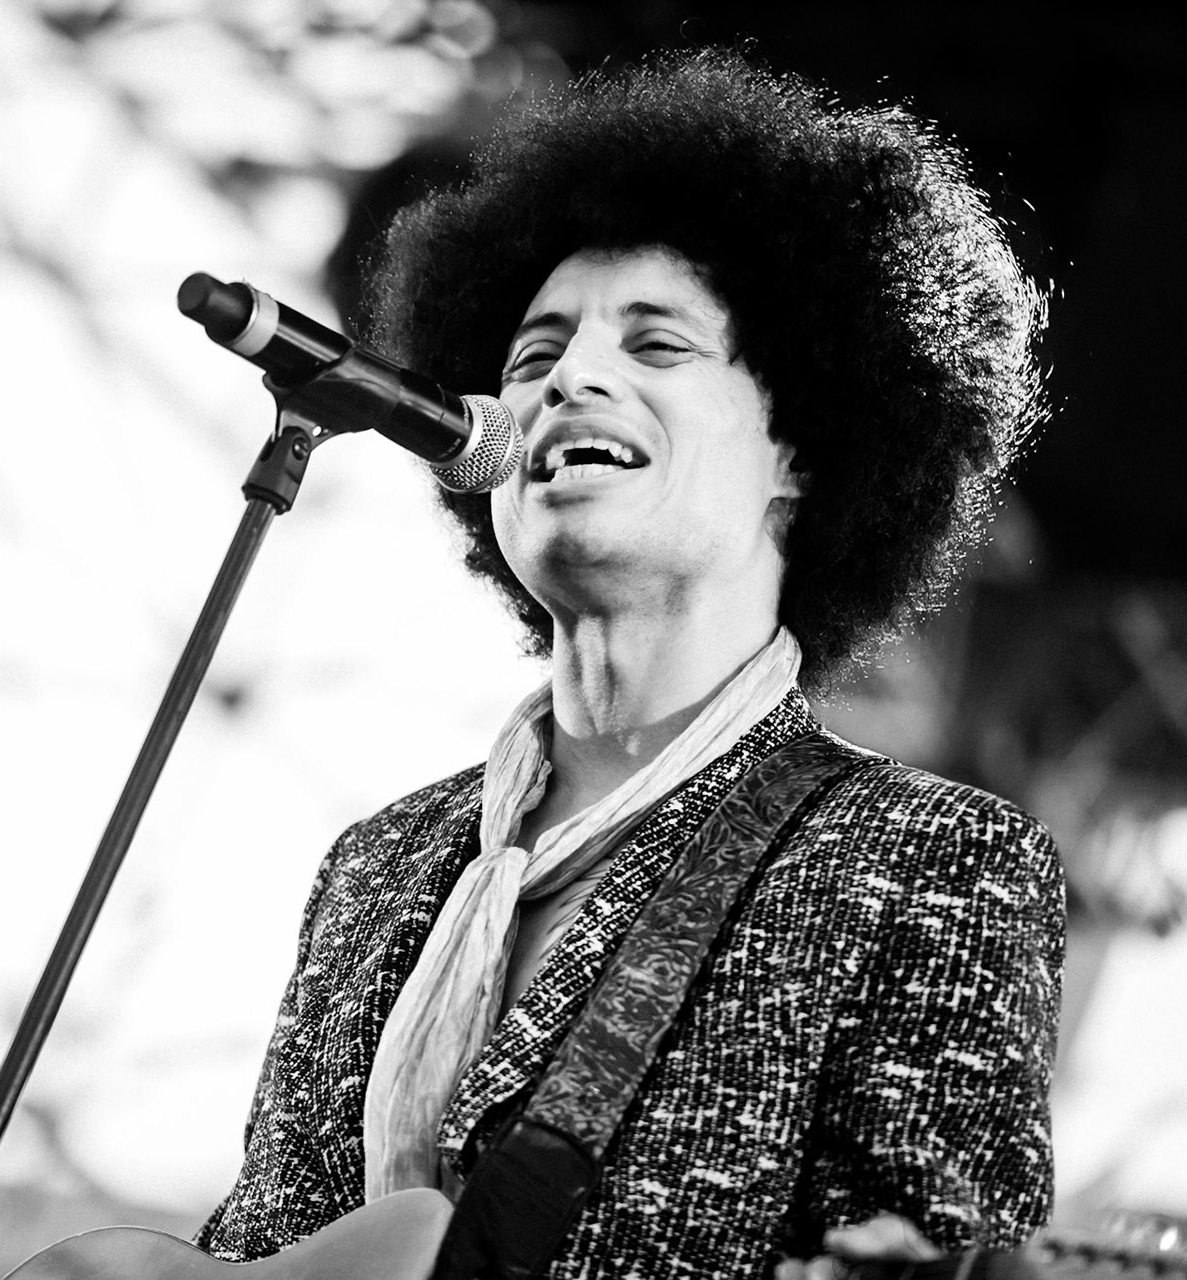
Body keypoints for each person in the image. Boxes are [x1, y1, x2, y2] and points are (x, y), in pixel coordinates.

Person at [192, 47, 1062, 1280]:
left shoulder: (933, 860)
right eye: (534, 354)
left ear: (800, 453)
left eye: (656, 346)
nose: (569, 380)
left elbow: (931, 1241)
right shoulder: (376, 865)